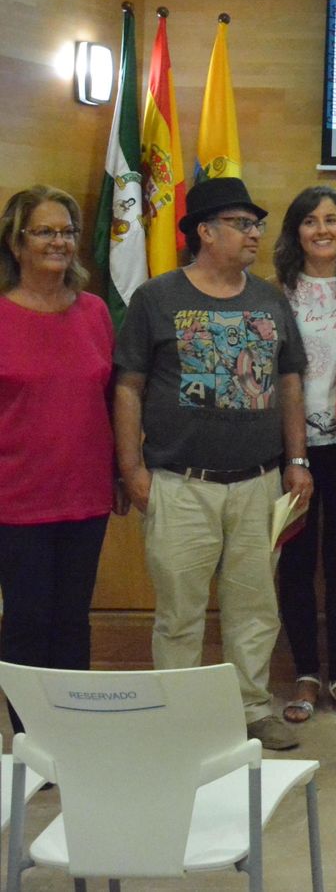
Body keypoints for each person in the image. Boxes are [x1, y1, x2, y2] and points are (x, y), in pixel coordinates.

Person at [113, 177, 311, 751]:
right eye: (242, 224)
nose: (254, 235)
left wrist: (296, 460)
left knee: (255, 607)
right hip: (179, 483)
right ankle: (180, 719)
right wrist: (132, 469)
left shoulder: (270, 299)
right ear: (204, 231)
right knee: (179, 612)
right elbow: (128, 386)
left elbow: (290, 379)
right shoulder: (156, 298)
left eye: (256, 225)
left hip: (258, 482)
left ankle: (250, 711)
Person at [0, 186, 122, 732]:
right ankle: (32, 740)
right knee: (26, 622)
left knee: (72, 620)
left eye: (67, 231)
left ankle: (74, 736)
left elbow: (112, 397)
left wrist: (122, 471)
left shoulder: (94, 310)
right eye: (45, 231)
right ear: (15, 241)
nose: (60, 242)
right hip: (16, 498)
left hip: (85, 495)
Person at [271, 185, 336, 725]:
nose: (322, 229)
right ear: (296, 232)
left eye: (332, 219)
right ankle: (306, 673)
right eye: (310, 221)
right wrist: (294, 454)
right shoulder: (275, 294)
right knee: (296, 564)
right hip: (292, 451)